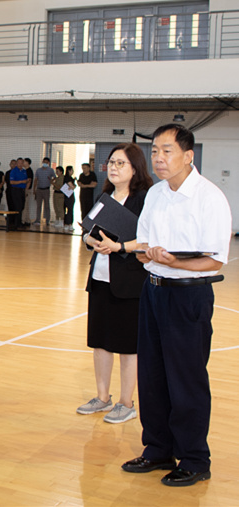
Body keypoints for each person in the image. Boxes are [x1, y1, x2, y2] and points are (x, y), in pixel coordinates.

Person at [122, 124, 232, 487]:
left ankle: (195, 458)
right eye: (154, 151)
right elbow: (144, 246)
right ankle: (158, 449)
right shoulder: (155, 194)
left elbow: (215, 260)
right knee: (152, 375)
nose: (158, 158)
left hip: (188, 295)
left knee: (186, 378)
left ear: (188, 156)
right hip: (153, 291)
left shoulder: (209, 197)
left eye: (166, 151)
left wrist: (175, 263)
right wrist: (147, 254)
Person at [77, 143, 153, 424]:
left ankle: (126, 403)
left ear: (135, 168)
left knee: (128, 345)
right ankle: (102, 397)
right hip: (100, 279)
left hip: (129, 282)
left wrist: (119, 246)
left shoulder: (143, 199)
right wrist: (91, 240)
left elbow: (147, 239)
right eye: (111, 162)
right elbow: (87, 231)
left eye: (121, 163)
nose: (114, 167)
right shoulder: (105, 196)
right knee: (100, 341)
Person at [33, 157, 55, 225]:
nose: (44, 163)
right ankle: (37, 220)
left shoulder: (51, 170)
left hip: (46, 190)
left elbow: (55, 177)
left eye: (46, 162)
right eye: (44, 162)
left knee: (47, 206)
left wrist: (51, 181)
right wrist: (34, 189)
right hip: (39, 189)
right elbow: (36, 180)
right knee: (38, 206)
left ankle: (47, 220)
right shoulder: (38, 170)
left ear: (48, 163)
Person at [8, 158, 28, 229]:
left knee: (22, 206)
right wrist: (21, 181)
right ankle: (17, 223)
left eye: (21, 163)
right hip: (16, 190)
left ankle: (19, 222)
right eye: (19, 163)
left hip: (22, 190)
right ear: (16, 163)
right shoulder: (13, 171)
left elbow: (26, 180)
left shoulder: (24, 171)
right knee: (18, 207)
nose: (20, 164)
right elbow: (11, 182)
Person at [63, 166, 76, 231]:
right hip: (69, 196)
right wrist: (74, 186)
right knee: (70, 210)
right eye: (72, 170)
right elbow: (72, 187)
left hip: (66, 196)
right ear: (69, 171)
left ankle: (67, 223)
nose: (72, 171)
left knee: (67, 210)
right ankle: (69, 224)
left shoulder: (69, 178)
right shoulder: (68, 178)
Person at [22, 157, 34, 226]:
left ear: (27, 163)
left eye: (24, 161)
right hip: (25, 189)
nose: (23, 163)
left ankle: (24, 220)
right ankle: (27, 220)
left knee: (25, 205)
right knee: (25, 205)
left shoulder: (29, 171)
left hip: (27, 190)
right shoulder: (25, 170)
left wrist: (26, 190)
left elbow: (29, 181)